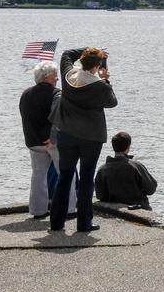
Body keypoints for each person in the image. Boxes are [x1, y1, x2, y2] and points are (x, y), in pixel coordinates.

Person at [49, 47, 117, 233]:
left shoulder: (68, 74)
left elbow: (66, 54)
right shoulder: (100, 85)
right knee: (87, 178)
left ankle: (56, 222)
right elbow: (112, 102)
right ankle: (84, 223)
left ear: (82, 61)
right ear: (97, 66)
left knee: (65, 176)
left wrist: (88, 49)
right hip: (90, 137)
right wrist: (106, 80)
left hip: (66, 133)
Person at [19, 60, 75, 218]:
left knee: (38, 175)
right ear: (46, 77)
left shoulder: (26, 94)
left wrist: (31, 138)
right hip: (52, 143)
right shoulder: (56, 94)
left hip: (33, 142)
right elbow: (57, 118)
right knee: (65, 173)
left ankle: (38, 210)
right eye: (55, 76)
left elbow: (26, 117)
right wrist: (52, 138)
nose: (57, 79)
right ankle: (69, 208)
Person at [94, 132, 158, 209]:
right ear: (128, 147)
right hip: (137, 208)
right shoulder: (136, 166)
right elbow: (151, 189)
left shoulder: (102, 169)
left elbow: (100, 195)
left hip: (113, 210)